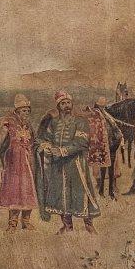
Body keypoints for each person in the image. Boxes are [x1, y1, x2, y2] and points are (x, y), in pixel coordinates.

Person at [35, 90, 100, 233]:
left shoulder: (80, 121)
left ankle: (89, 225)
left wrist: (63, 151)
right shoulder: (54, 122)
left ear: (72, 104)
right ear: (58, 106)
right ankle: (67, 226)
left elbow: (82, 143)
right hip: (58, 165)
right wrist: (46, 146)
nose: (66, 106)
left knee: (82, 192)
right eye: (63, 103)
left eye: (68, 103)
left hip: (76, 164)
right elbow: (46, 139)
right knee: (61, 193)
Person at [0, 93, 37, 230]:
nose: (26, 113)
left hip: (28, 162)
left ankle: (26, 221)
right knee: (14, 191)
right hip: (14, 162)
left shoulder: (28, 125)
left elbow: (34, 141)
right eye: (23, 110)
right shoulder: (8, 123)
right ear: (17, 111)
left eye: (28, 111)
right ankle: (12, 223)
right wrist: (2, 130)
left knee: (28, 190)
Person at [90, 96, 118, 199]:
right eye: (100, 105)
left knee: (110, 168)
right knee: (103, 168)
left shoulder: (106, 114)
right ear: (97, 104)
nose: (102, 107)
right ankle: (102, 190)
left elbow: (114, 126)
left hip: (111, 144)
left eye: (103, 105)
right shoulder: (95, 114)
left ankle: (110, 191)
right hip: (102, 144)